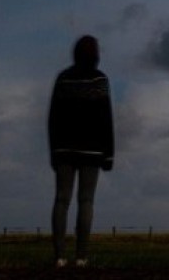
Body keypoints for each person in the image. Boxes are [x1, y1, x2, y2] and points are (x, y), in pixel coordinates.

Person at [48, 35, 114, 268]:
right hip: (93, 151)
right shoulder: (100, 79)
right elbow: (106, 119)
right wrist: (109, 154)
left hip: (64, 149)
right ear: (95, 54)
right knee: (86, 200)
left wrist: (54, 150)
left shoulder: (64, 79)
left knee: (61, 200)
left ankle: (59, 257)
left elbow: (53, 118)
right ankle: (82, 257)